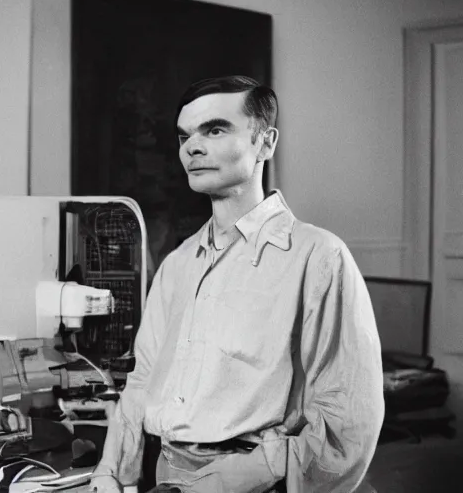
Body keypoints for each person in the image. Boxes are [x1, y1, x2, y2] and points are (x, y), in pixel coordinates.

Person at [89, 76, 384, 493]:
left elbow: (349, 417)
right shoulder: (177, 265)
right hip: (166, 478)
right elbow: (143, 382)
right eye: (184, 135)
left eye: (214, 129)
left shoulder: (319, 257)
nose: (192, 147)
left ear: (265, 143)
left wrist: (252, 473)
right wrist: (110, 470)